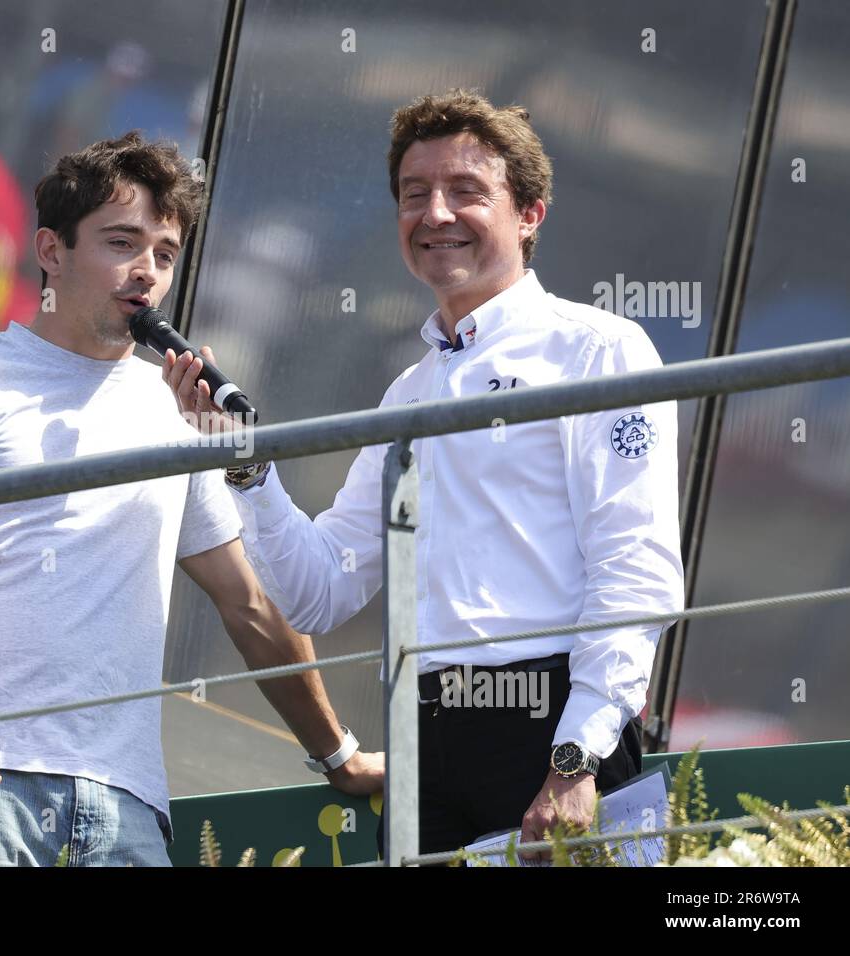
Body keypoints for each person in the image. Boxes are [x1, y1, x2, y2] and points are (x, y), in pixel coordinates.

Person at [163, 89, 684, 860]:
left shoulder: (599, 349)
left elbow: (636, 572)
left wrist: (575, 761)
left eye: (466, 191)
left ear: (531, 213)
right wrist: (246, 462)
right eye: (415, 195)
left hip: (550, 732)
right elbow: (320, 589)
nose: (435, 212)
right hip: (421, 739)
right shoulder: (409, 391)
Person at [0, 131, 383, 867]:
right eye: (121, 242)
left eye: (165, 254)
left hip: (125, 799)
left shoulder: (177, 410)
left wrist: (340, 754)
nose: (147, 271)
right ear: (51, 251)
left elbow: (251, 607)